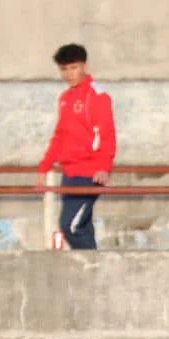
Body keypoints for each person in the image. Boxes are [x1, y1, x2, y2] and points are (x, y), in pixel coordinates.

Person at [37, 43, 115, 250]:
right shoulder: (65, 98)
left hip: (90, 173)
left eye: (74, 68)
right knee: (83, 225)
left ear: (84, 66)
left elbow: (107, 134)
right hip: (69, 172)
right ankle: (94, 273)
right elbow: (60, 135)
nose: (69, 74)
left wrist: (103, 167)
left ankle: (95, 269)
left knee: (70, 226)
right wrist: (44, 167)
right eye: (64, 69)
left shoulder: (97, 96)